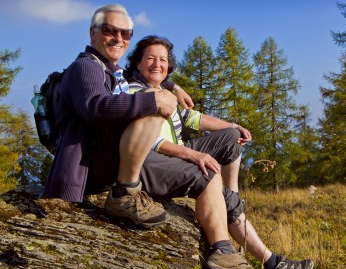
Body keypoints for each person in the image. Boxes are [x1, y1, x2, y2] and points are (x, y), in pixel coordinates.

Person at [41, 4, 253, 268]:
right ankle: (125, 194)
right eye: (110, 30)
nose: (118, 38)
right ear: (93, 33)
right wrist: (155, 103)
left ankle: (226, 244)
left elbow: (146, 76)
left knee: (168, 112)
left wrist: (171, 86)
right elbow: (94, 108)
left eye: (125, 33)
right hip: (90, 168)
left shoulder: (110, 70)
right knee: (197, 161)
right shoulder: (86, 67)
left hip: (113, 159)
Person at [123, 35, 314, 269]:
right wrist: (192, 155)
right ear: (138, 63)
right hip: (156, 160)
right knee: (210, 175)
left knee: (232, 138)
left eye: (162, 60)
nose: (157, 64)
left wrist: (233, 127)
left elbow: (194, 118)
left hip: (176, 152)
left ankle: (236, 199)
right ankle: (258, 258)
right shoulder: (135, 92)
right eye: (150, 58)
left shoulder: (164, 92)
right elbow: (150, 141)